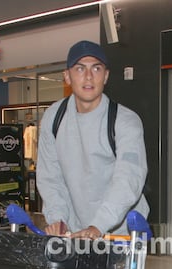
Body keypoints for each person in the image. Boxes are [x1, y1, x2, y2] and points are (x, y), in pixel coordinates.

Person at [36, 40, 149, 238]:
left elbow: (129, 179)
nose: (88, 77)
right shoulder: (53, 118)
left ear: (105, 76)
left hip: (120, 232)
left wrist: (98, 226)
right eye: (80, 68)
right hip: (74, 230)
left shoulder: (124, 121)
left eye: (96, 68)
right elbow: (50, 177)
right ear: (67, 76)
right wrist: (58, 219)